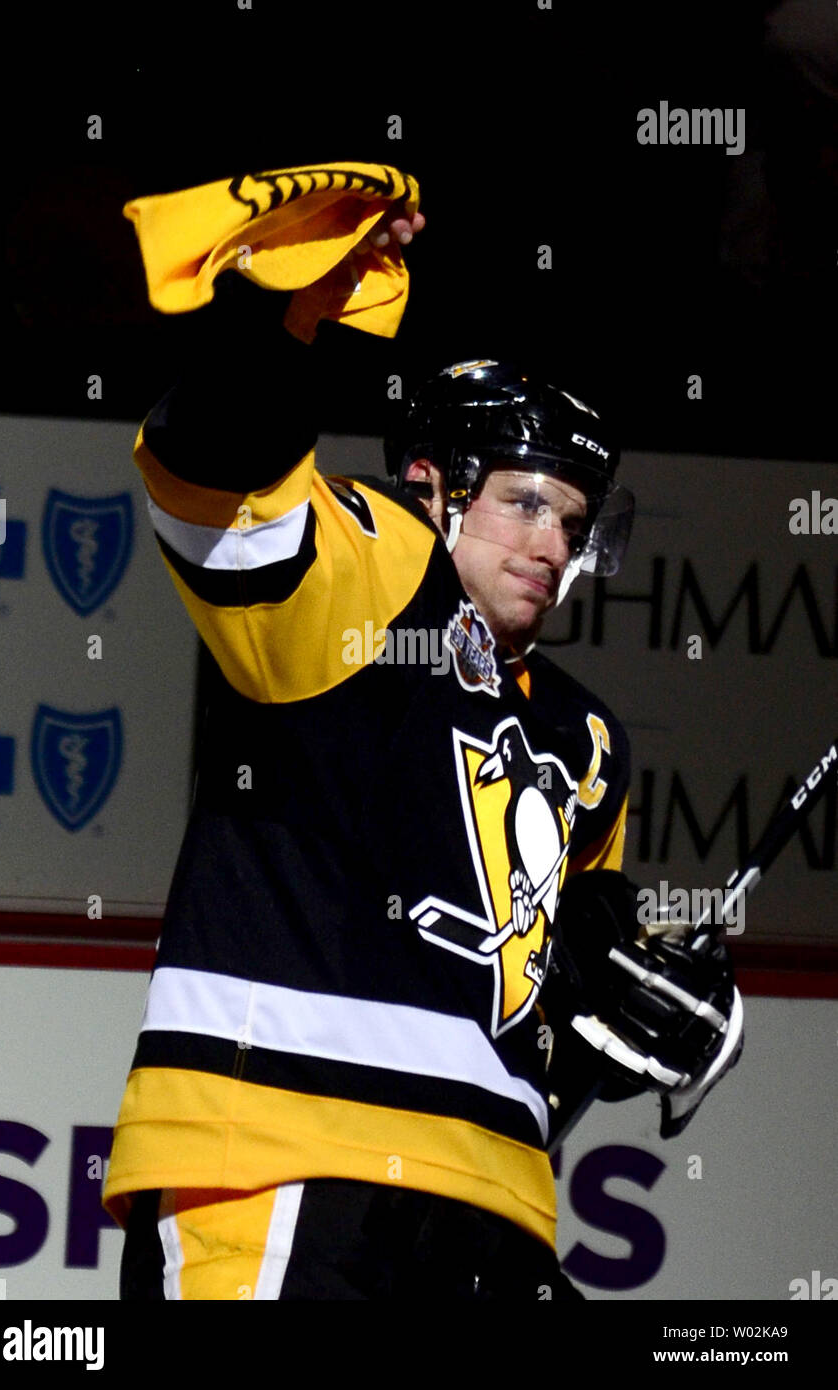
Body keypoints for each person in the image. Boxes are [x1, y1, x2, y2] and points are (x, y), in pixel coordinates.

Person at [103, 190, 741, 1300]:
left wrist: (654, 997)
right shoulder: (379, 570)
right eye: (528, 504)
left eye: (576, 526)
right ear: (431, 489)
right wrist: (278, 320)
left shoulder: (586, 740)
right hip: (284, 1156)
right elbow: (211, 466)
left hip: (495, 1210)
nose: (554, 545)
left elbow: (543, 998)